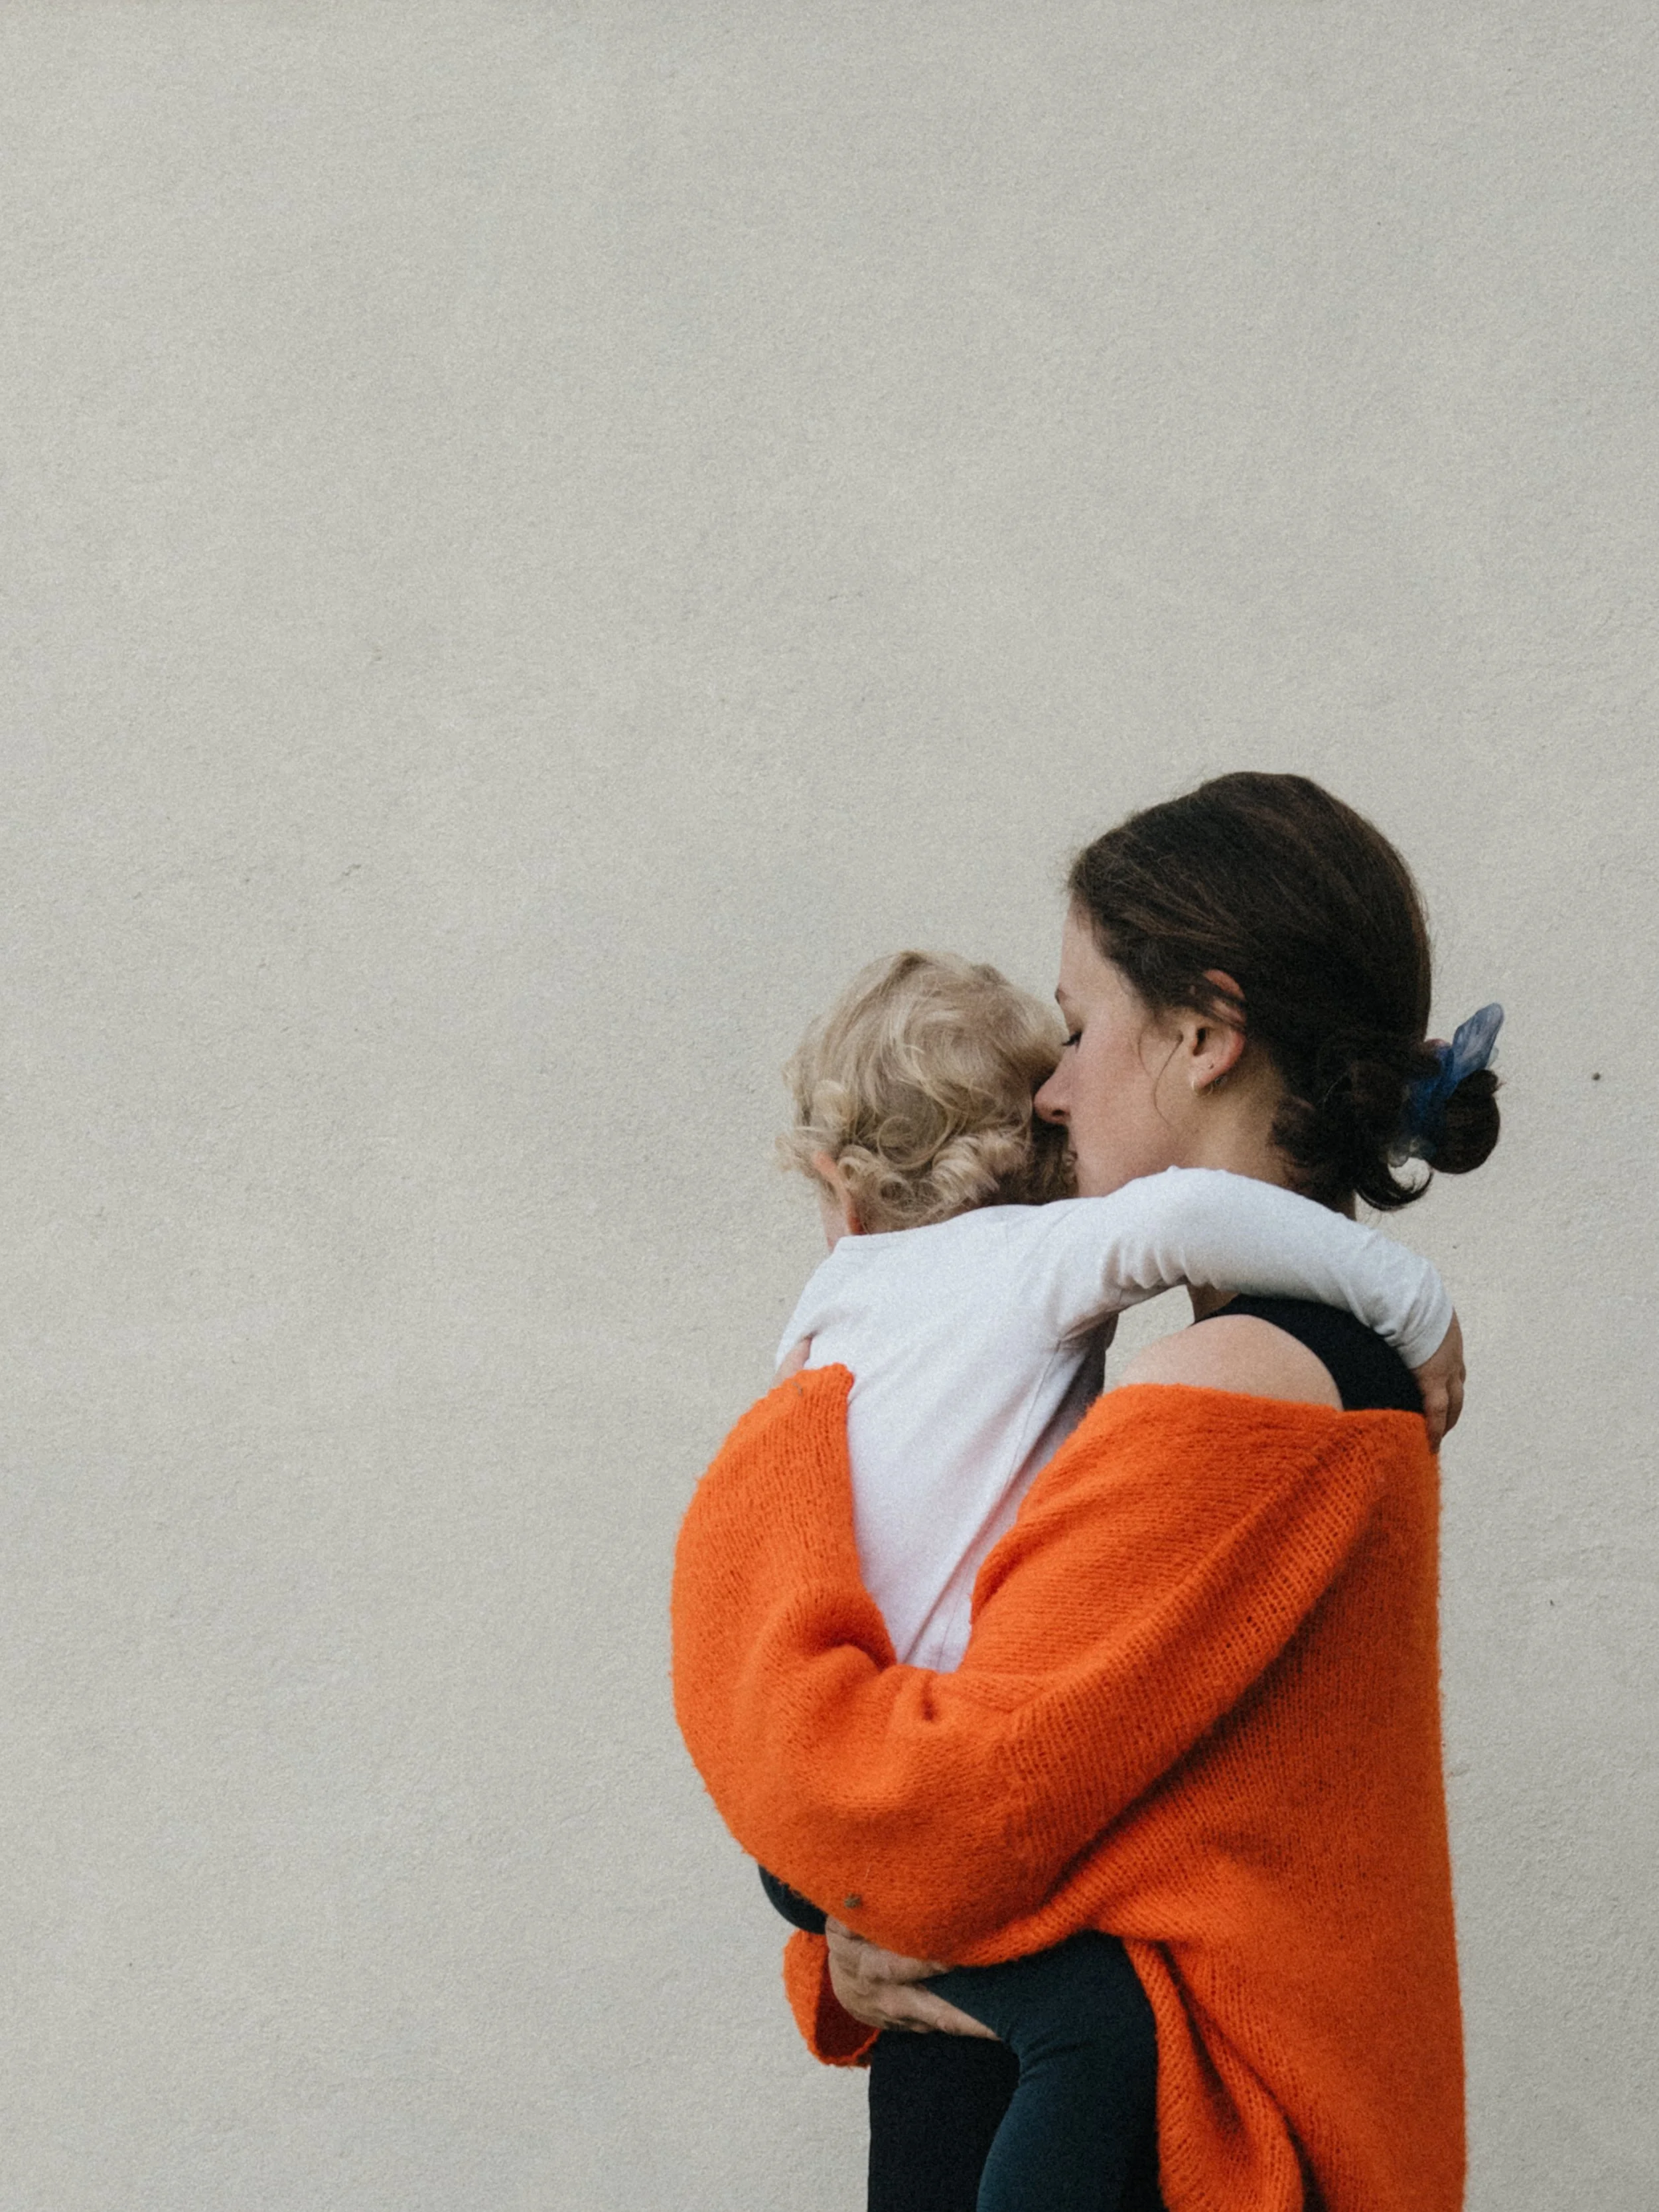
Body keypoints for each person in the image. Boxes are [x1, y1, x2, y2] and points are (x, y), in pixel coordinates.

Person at [672, 773, 1502, 2212]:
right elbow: (1066, 1806)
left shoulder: (1236, 1391)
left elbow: (944, 1820)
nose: (1046, 1088)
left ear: (1199, 1033)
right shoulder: (1273, 1367)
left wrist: (832, 1912)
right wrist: (846, 1927)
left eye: (1072, 1024)